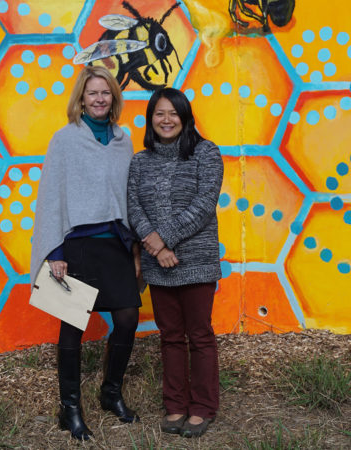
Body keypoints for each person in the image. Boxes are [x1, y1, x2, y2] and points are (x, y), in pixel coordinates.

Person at [30, 66, 142, 441]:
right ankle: (71, 409)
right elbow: (51, 195)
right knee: (73, 324)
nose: (99, 99)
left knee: (127, 317)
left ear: (114, 98)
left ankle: (111, 393)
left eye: (105, 93)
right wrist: (56, 251)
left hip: (115, 242)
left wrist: (137, 244)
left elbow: (127, 195)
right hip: (76, 244)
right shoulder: (65, 140)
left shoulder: (124, 140)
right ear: (81, 98)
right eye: (92, 93)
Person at [127, 87, 223, 438]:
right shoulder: (140, 161)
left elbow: (203, 205)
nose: (166, 120)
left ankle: (203, 407)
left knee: (199, 335)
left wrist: (161, 238)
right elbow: (134, 206)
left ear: (185, 117)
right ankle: (176, 405)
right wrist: (156, 249)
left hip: (195, 260)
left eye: (173, 113)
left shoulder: (205, 153)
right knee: (169, 336)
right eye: (159, 114)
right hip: (158, 263)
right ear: (151, 119)